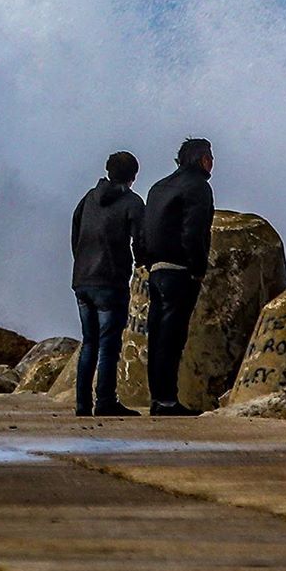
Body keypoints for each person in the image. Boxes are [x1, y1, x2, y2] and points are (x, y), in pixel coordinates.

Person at [140, 137, 215, 416]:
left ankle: (158, 399)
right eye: (209, 157)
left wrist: (146, 261)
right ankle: (168, 401)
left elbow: (144, 229)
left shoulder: (157, 188)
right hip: (180, 272)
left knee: (157, 336)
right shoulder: (198, 187)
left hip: (157, 270)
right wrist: (198, 269)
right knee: (172, 339)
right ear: (200, 160)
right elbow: (194, 231)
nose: (212, 162)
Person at [71, 151, 144, 416]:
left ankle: (82, 404)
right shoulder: (132, 202)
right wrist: (141, 266)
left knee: (89, 342)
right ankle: (105, 401)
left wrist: (81, 266)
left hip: (82, 281)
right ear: (133, 177)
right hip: (110, 282)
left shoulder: (88, 199)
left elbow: (75, 234)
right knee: (109, 344)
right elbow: (141, 240)